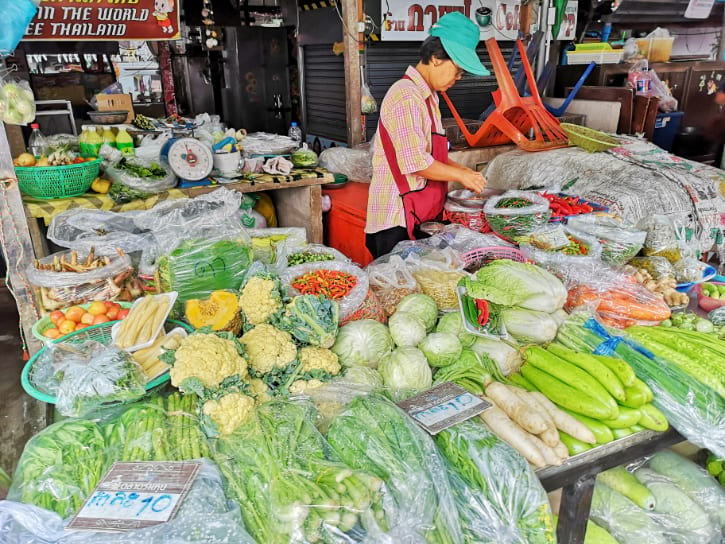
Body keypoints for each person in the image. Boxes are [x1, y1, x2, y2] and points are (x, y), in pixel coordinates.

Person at [365, 12, 488, 259]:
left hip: (416, 214)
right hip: (395, 220)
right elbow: (415, 163)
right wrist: (460, 174)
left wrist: (466, 173)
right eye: (458, 69)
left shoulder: (430, 97)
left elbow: (433, 156)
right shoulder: (406, 95)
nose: (458, 78)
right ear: (435, 58)